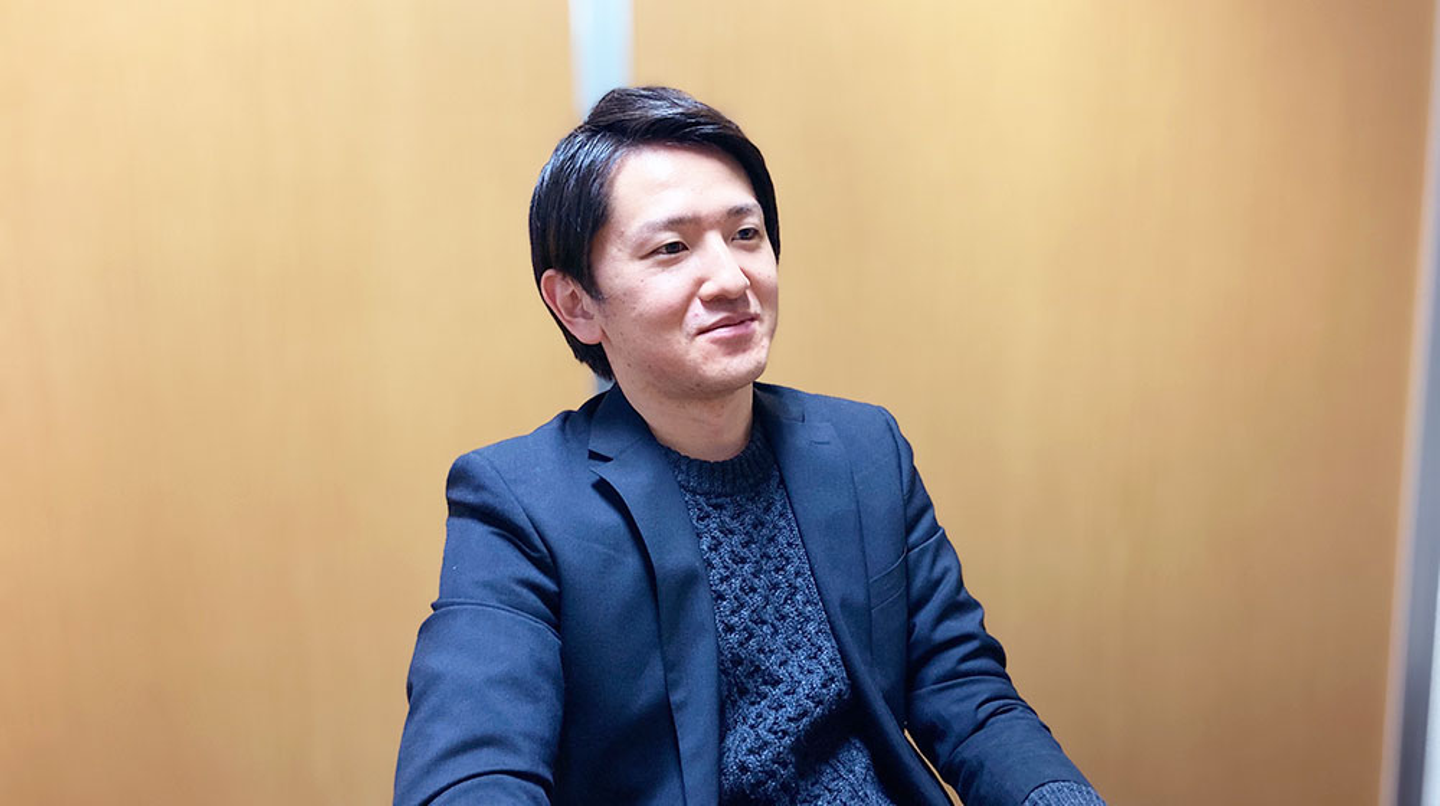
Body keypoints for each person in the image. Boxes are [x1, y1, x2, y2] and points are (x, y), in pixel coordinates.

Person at [395, 86, 1105, 806]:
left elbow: (968, 695)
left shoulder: (865, 450)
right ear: (577, 303)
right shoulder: (517, 501)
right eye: (672, 249)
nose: (733, 280)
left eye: (746, 234)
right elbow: (470, 773)